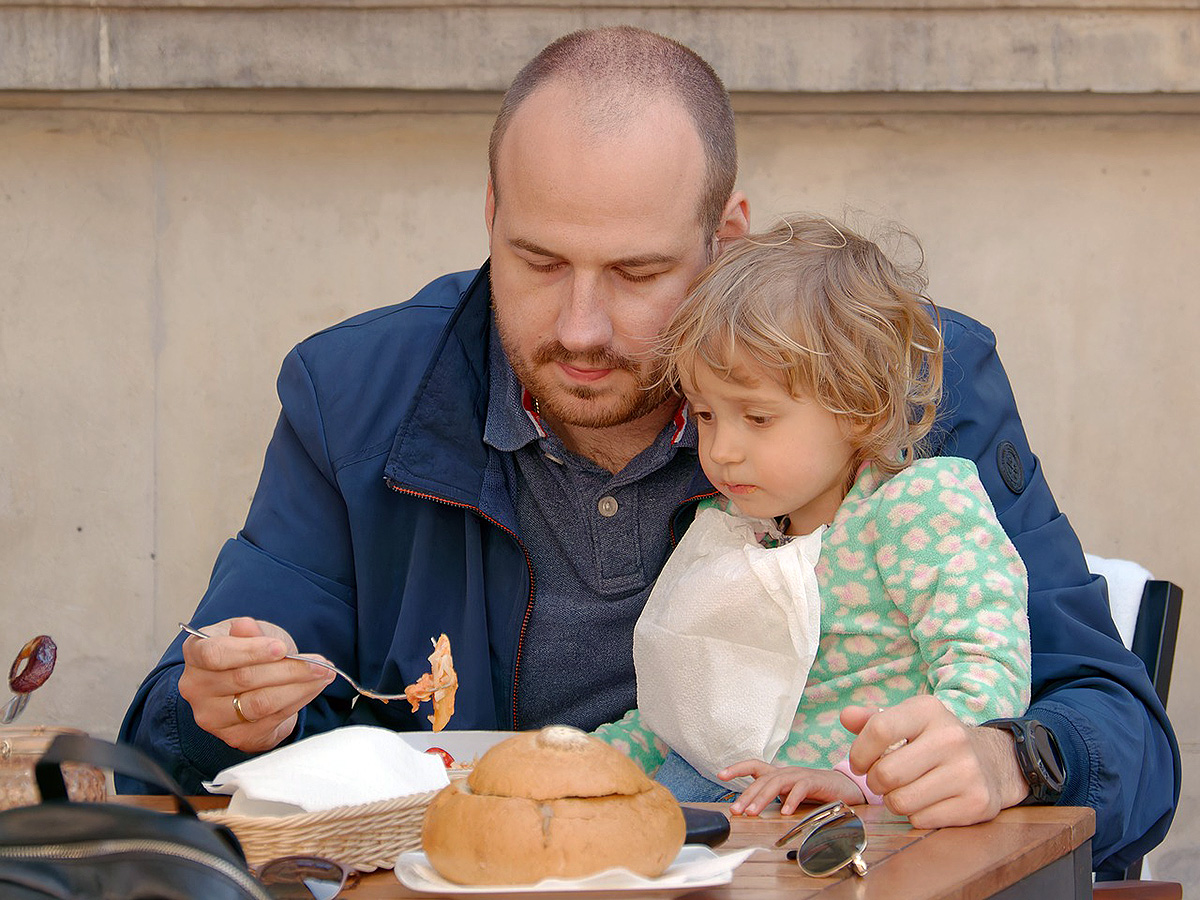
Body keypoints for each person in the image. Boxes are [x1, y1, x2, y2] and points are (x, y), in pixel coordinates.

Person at [117, 25, 1177, 876]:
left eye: (635, 274)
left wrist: (1008, 757)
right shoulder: (351, 396)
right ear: (490, 217)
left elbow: (1121, 727)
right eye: (536, 261)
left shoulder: (890, 378)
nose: (580, 327)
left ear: (731, 240)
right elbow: (162, 747)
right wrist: (219, 713)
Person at [595, 214, 1032, 815]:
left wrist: (867, 781)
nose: (721, 450)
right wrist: (579, 759)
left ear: (858, 406)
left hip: (860, 832)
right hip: (720, 810)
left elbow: (987, 673)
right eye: (704, 414)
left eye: (757, 417)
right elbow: (676, 714)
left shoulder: (917, 509)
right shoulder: (735, 526)